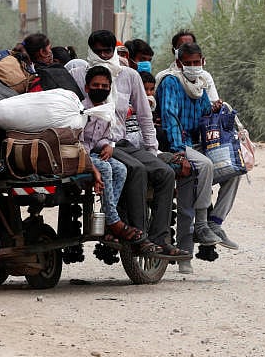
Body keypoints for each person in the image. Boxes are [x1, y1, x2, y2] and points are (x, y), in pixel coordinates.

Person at [69, 30, 188, 258]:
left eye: (107, 50)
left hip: (121, 142)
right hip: (96, 146)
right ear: (90, 50)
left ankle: (161, 237)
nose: (103, 55)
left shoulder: (129, 75)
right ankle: (139, 237)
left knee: (164, 172)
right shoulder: (79, 73)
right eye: (98, 51)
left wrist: (152, 150)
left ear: (115, 50)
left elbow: (144, 117)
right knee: (136, 170)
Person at [156, 42, 239, 274]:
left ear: (203, 61)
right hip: (178, 143)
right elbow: (170, 117)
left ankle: (215, 222)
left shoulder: (201, 84)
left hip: (197, 142)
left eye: (197, 62)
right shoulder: (172, 82)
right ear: (180, 63)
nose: (193, 67)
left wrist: (214, 110)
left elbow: (203, 114)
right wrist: (179, 151)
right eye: (189, 63)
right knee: (203, 165)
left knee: (234, 168)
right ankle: (200, 225)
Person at [81, 65, 144, 242]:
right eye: (95, 86)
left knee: (121, 169)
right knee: (106, 169)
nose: (100, 90)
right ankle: (114, 221)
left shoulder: (107, 111)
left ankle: (108, 217)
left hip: (96, 153)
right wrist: (93, 168)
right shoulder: (81, 110)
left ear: (109, 88)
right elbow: (78, 143)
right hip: (82, 156)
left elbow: (105, 137)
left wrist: (109, 145)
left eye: (104, 86)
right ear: (87, 88)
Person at [13, 33, 84, 99]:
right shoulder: (56, 71)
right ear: (42, 52)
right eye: (49, 48)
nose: (51, 51)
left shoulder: (25, 72)